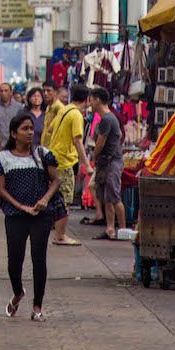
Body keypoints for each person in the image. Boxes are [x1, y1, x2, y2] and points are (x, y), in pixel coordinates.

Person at [0, 110, 64, 321]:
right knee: (14, 261)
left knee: (39, 259)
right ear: (14, 133)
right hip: (15, 215)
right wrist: (20, 206)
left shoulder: (43, 154)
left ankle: (37, 306)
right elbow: (0, 189)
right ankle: (18, 292)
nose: (29, 132)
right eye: (24, 129)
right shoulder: (3, 158)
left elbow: (56, 180)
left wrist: (44, 200)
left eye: (31, 128)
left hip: (41, 216)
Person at [47, 85, 93, 246]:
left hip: (54, 158)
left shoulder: (64, 110)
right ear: (87, 99)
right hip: (64, 161)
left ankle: (58, 234)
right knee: (65, 200)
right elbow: (78, 141)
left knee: (57, 198)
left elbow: (51, 129)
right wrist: (86, 164)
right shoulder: (76, 115)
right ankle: (60, 236)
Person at [87, 86, 126, 239]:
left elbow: (100, 143)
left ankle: (122, 230)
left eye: (91, 99)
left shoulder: (107, 119)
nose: (90, 102)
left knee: (114, 197)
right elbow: (120, 134)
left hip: (111, 162)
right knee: (108, 198)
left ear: (97, 100)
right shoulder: (109, 118)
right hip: (108, 161)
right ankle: (110, 229)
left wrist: (94, 156)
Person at [0, 81, 19, 151]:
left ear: (11, 92)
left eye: (6, 91)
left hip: (14, 145)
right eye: (1, 91)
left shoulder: (18, 107)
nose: (3, 93)